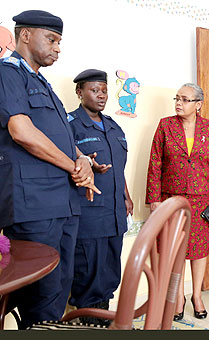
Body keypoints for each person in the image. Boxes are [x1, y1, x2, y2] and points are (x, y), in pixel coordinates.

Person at [0, 10, 99, 329]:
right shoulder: (8, 73)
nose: (58, 48)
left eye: (60, 42)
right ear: (25, 35)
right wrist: (73, 164)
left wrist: (83, 159)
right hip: (35, 206)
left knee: (59, 286)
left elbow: (63, 136)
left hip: (64, 203)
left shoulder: (42, 82)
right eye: (52, 39)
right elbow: (22, 131)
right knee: (40, 294)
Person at [146, 83, 209, 320]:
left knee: (198, 250)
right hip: (171, 199)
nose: (178, 103)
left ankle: (196, 295)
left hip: (201, 200)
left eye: (185, 99)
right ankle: (177, 296)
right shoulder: (166, 125)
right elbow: (155, 163)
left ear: (198, 104)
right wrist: (153, 199)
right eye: (177, 98)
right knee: (175, 250)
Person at [67, 69, 133, 326]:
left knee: (109, 272)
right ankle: (86, 322)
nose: (101, 96)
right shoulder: (70, 125)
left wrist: (127, 197)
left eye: (104, 90)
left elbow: (119, 168)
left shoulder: (114, 126)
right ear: (79, 92)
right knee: (87, 273)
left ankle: (103, 321)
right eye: (94, 90)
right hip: (90, 215)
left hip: (115, 214)